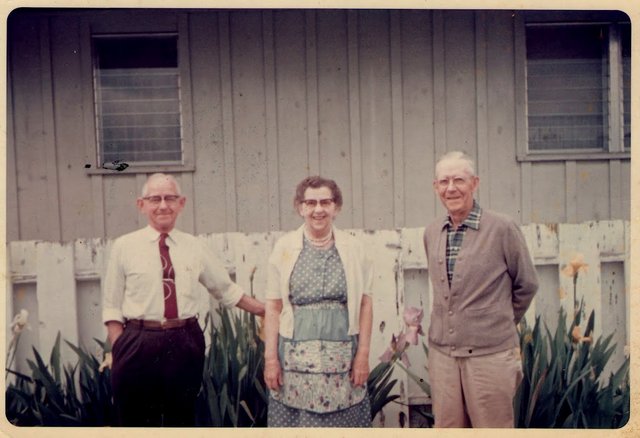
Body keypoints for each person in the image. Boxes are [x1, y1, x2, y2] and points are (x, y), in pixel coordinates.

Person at [102, 173, 265, 427]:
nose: (163, 205)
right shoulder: (124, 247)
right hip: (137, 341)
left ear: (182, 203)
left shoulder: (194, 246)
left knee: (181, 418)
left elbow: (226, 290)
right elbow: (111, 306)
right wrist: (120, 347)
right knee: (133, 420)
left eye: (170, 198)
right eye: (155, 199)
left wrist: (266, 310)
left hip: (184, 341)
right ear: (141, 204)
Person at [423, 151, 538, 428]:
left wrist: (495, 321)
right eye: (444, 181)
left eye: (459, 180)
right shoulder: (432, 231)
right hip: (443, 356)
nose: (451, 188)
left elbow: (527, 284)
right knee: (448, 428)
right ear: (436, 187)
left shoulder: (502, 228)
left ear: (474, 183)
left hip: (491, 356)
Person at [263, 176, 374, 427]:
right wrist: (271, 359)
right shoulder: (284, 247)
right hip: (294, 358)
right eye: (310, 202)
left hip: (343, 355)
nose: (318, 209)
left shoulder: (354, 248)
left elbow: (365, 304)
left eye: (325, 202)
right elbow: (273, 306)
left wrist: (363, 355)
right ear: (300, 207)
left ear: (337, 207)